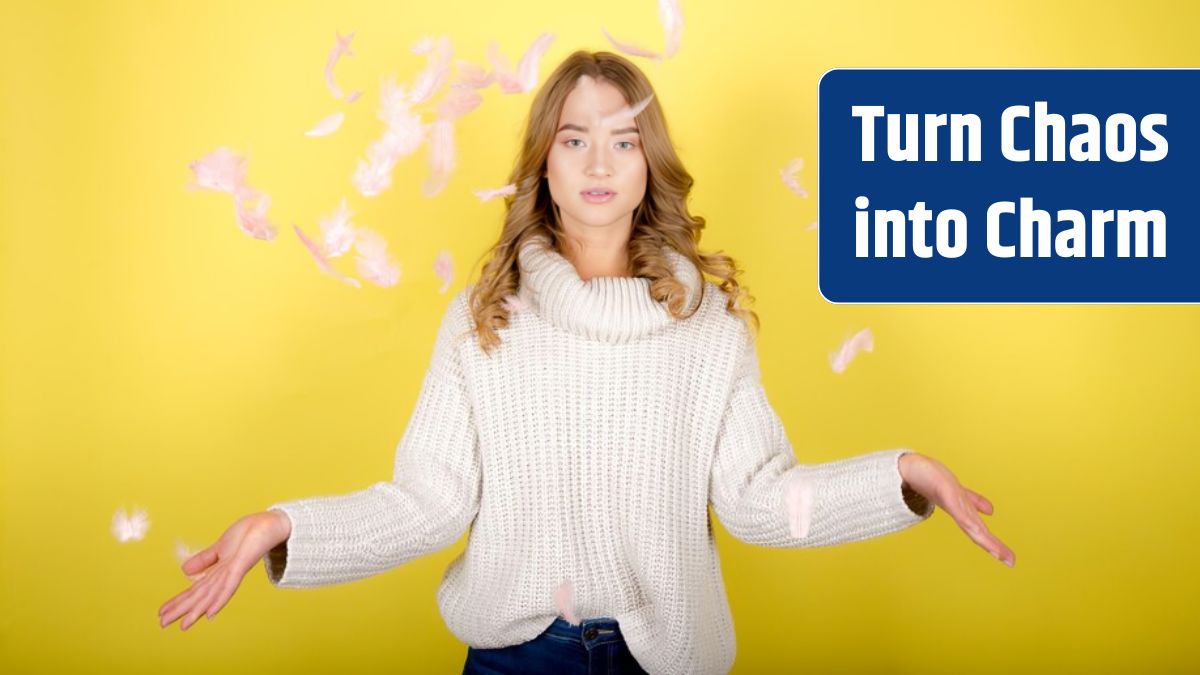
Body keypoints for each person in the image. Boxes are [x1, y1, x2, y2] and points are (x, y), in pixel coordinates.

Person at [158, 50, 1015, 674]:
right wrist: (285, 528)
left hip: (668, 658)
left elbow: (755, 499)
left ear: (651, 166)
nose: (599, 162)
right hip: (516, 658)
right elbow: (429, 502)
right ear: (544, 164)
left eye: (624, 140)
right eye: (574, 140)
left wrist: (901, 478)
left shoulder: (708, 323)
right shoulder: (483, 319)